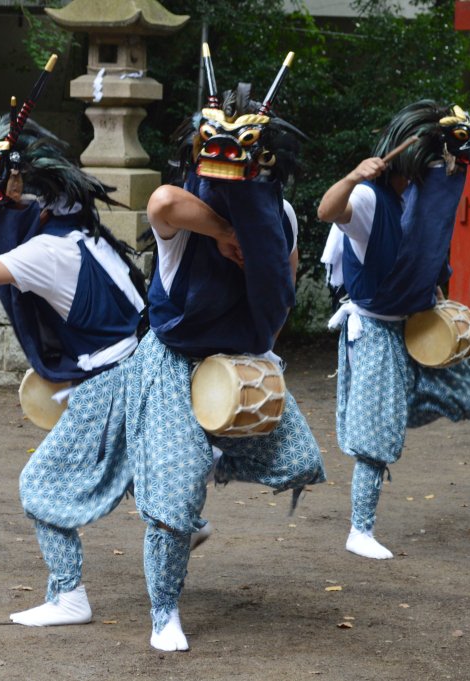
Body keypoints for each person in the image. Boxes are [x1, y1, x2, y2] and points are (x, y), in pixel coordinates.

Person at [125, 77, 326, 652]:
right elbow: (163, 203)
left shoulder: (280, 213)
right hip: (172, 359)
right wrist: (225, 231)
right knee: (172, 500)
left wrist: (262, 355)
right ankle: (164, 612)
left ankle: (202, 457)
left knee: (300, 461)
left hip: (241, 361)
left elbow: (283, 288)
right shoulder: (186, 211)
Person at [0, 110, 147, 627]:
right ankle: (180, 521)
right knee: (129, 466)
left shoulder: (43, 252)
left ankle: (68, 596)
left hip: (110, 380)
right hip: (143, 368)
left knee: (38, 484)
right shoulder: (85, 232)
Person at [317, 101, 470, 560]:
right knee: (375, 437)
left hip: (412, 323)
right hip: (373, 326)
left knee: (468, 396)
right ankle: (360, 529)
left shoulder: (408, 197)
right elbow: (326, 209)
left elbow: (427, 242)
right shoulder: (370, 198)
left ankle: (386, 408)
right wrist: (354, 176)